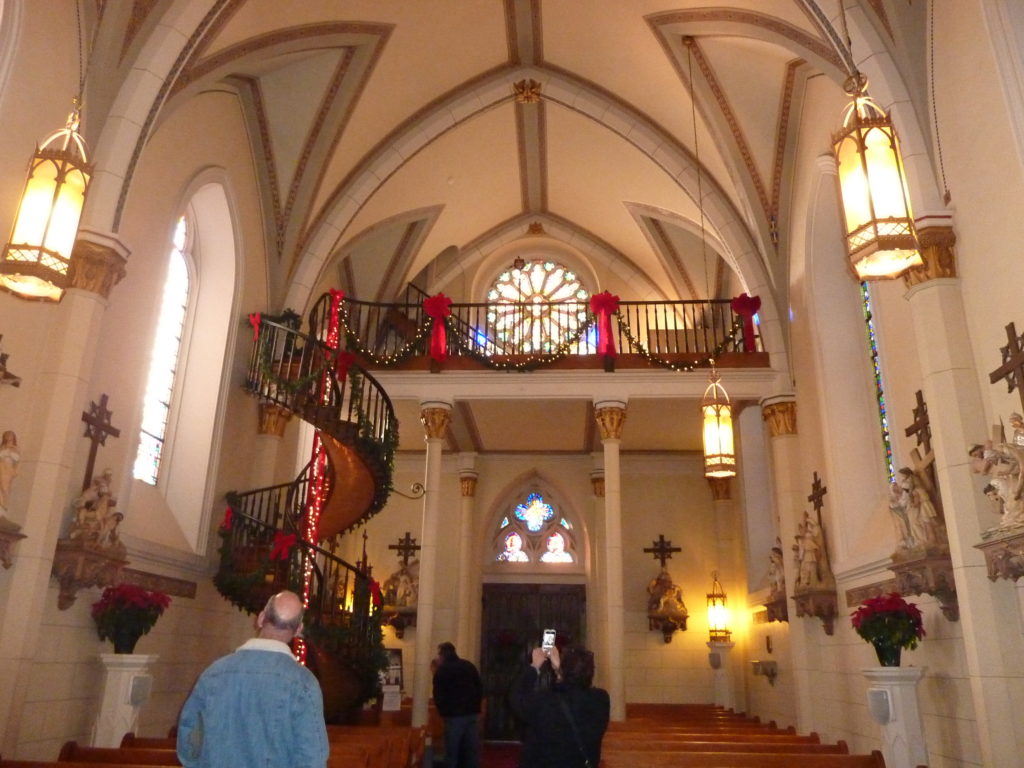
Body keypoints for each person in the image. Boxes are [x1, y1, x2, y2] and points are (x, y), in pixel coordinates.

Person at [176, 590, 329, 768]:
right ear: (298, 630)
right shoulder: (303, 684)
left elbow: (189, 744)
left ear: (261, 618)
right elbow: (313, 759)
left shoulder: (214, 673)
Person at [512, 644, 610, 768]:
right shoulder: (601, 699)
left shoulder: (546, 701)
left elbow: (516, 697)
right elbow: (574, 688)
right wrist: (561, 671)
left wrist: (534, 667)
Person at [432, 641, 483, 768]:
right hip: (471, 714)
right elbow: (479, 688)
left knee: (452, 753)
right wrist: (476, 707)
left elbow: (438, 694)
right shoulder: (469, 666)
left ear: (442, 655)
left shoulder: (442, 671)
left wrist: (444, 712)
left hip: (453, 717)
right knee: (471, 751)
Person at [0, 430, 19, 511]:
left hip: (8, 468)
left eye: (10, 435)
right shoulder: (2, 447)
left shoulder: (15, 448)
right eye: (7, 435)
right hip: (1, 466)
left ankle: (4, 502)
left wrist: (10, 452)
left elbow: (17, 459)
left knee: (5, 486)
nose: (9, 437)